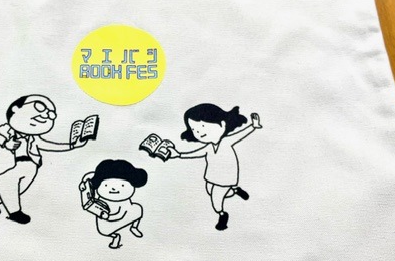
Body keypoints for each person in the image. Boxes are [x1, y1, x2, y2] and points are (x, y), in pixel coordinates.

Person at [0, 95, 89, 225]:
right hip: (7, 168)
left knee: (17, 191)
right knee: (8, 186)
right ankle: (15, 213)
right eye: (39, 106)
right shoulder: (7, 129)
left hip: (29, 167)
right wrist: (6, 143)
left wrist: (72, 145)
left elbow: (49, 145)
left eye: (51, 114)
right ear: (15, 109)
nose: (45, 115)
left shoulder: (34, 138)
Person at [168, 103, 262, 231]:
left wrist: (253, 126)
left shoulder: (226, 141)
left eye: (203, 126)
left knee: (216, 200)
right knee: (210, 191)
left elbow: (240, 134)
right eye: (194, 129)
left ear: (223, 124)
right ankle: (235, 190)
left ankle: (222, 216)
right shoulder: (208, 147)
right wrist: (178, 155)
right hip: (211, 177)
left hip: (225, 179)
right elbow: (195, 153)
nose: (199, 132)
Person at [80, 160, 148, 249]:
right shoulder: (101, 200)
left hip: (122, 216)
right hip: (108, 224)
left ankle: (134, 227)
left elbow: (120, 214)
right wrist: (84, 184)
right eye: (106, 185)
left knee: (138, 209)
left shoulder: (124, 200)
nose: (113, 189)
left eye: (122, 185)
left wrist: (111, 216)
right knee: (105, 231)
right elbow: (90, 176)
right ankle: (115, 237)